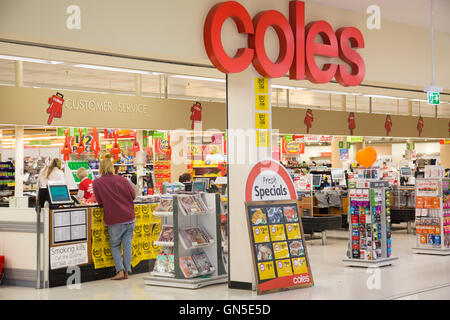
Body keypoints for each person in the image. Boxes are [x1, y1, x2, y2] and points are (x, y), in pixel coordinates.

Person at [92, 158, 136, 280]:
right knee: (127, 245)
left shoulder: (97, 183)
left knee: (115, 245)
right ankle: (127, 271)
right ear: (112, 167)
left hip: (114, 218)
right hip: (130, 217)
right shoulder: (123, 179)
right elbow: (133, 196)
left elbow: (100, 202)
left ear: (100, 168)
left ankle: (120, 271)